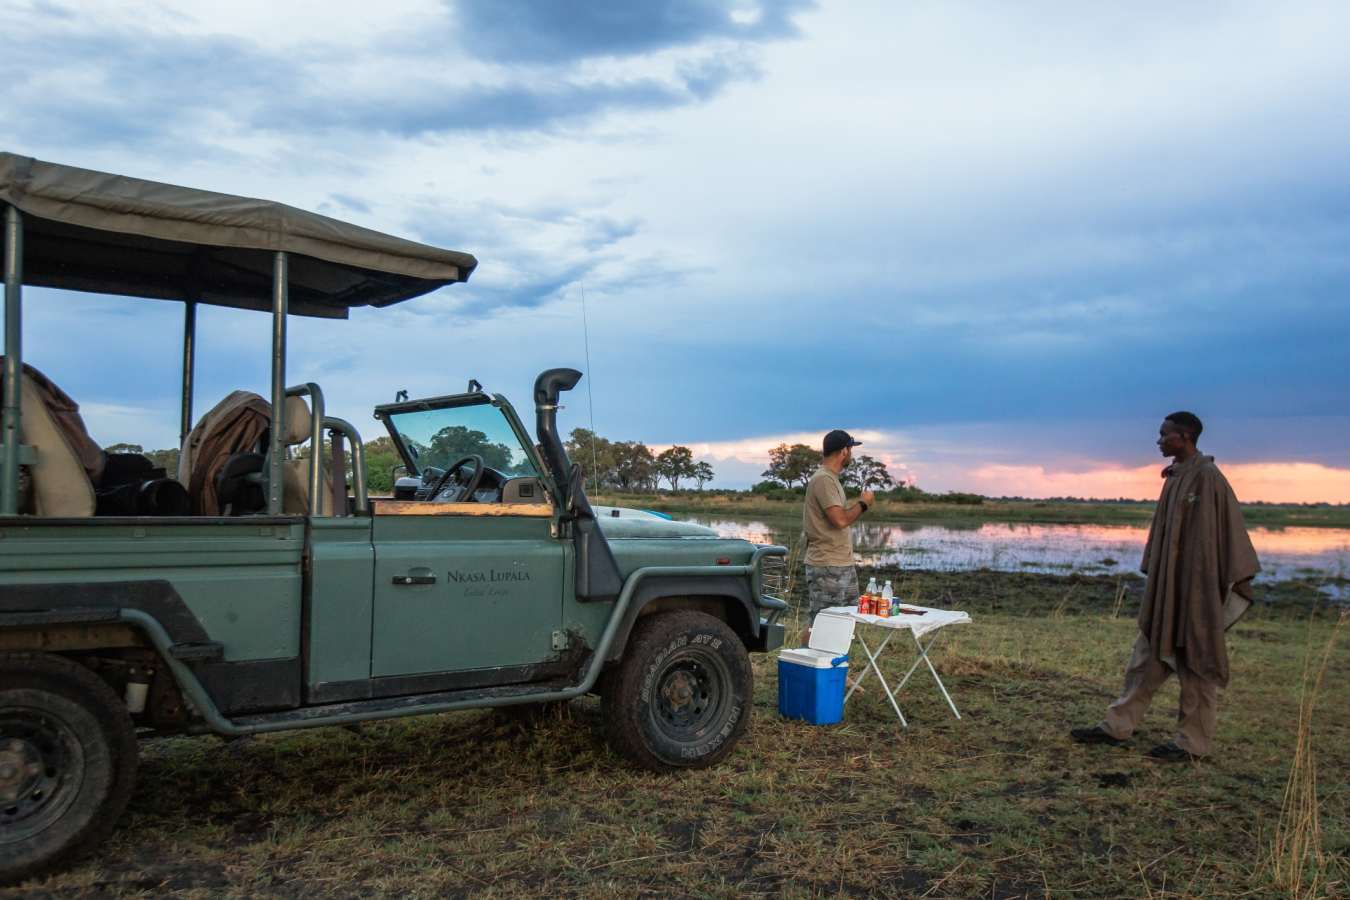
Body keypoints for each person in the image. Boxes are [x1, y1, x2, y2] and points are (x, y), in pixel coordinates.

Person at [1071, 412, 1260, 761]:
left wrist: (1208, 586)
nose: (1159, 441)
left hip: (1197, 593)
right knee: (1146, 658)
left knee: (1197, 664)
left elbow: (1222, 538)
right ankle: (1117, 726)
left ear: (1185, 436)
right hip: (1169, 590)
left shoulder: (1208, 479)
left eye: (1164, 435)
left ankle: (1193, 745)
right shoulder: (1174, 476)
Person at [802, 430, 874, 633]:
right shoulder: (824, 479)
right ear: (844, 451)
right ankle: (806, 663)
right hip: (827, 566)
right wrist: (864, 503)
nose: (851, 454)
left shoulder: (831, 479)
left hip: (842, 564)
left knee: (844, 623)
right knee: (821, 626)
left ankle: (834, 664)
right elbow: (840, 520)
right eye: (851, 449)